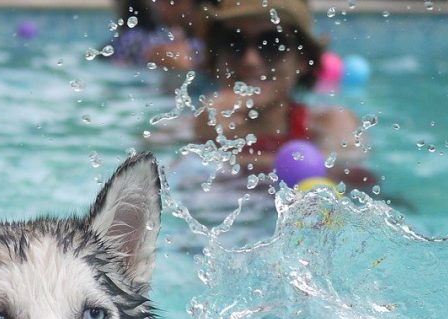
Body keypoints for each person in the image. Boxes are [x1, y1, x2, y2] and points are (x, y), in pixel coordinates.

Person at [195, 0, 375, 189]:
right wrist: (205, 139)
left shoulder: (329, 124)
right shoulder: (194, 127)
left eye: (272, 43)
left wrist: (213, 158)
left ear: (303, 60)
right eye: (234, 42)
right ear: (216, 58)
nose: (250, 60)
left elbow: (350, 177)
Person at [109, 0, 207, 72]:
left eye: (174, 2)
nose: (163, 8)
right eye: (160, 1)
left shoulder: (208, 43)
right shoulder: (137, 40)